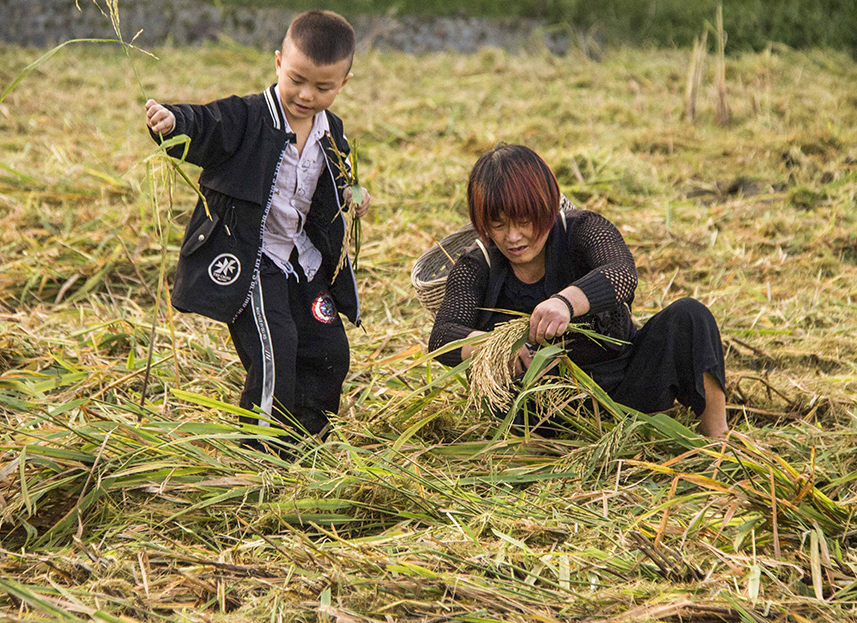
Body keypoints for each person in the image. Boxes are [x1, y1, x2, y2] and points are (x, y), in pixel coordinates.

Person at [145, 10, 371, 450]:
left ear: (343, 84)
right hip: (252, 256)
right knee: (276, 346)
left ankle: (308, 439)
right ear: (277, 64)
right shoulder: (247, 118)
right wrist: (172, 122)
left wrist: (354, 194)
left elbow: (341, 177)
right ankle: (260, 453)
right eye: (297, 79)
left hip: (301, 260)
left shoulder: (332, 132)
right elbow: (206, 125)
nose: (306, 95)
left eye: (323, 87)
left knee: (329, 348)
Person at [429, 144, 728, 437]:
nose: (513, 237)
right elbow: (442, 335)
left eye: (524, 221)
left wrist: (564, 303)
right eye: (498, 225)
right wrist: (494, 347)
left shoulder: (584, 229)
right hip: (539, 414)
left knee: (691, 315)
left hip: (624, 391)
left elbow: (621, 273)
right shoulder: (476, 264)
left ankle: (717, 438)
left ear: (546, 206)